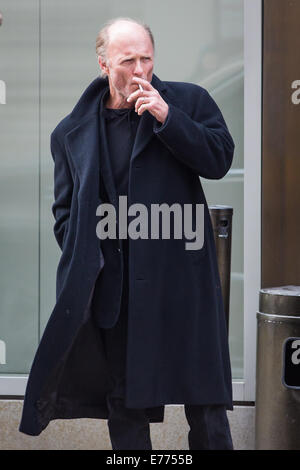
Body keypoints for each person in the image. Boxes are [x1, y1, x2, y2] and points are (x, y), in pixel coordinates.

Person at [19, 17, 235, 450]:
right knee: (125, 407)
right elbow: (64, 211)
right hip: (118, 295)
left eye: (146, 59)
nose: (139, 70)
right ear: (103, 64)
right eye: (128, 61)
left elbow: (218, 159)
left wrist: (168, 117)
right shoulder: (70, 132)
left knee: (206, 406)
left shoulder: (189, 102)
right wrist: (92, 256)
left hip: (182, 285)